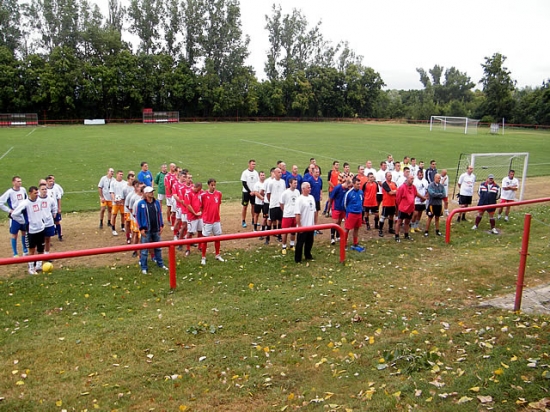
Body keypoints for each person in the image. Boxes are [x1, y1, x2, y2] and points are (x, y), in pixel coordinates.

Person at [11, 186, 45, 274]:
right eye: (35, 193)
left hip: (41, 228)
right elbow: (14, 214)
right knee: (32, 249)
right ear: (30, 193)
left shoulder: (39, 201)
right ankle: (31, 268)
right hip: (31, 230)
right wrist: (23, 222)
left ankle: (39, 265)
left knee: (41, 249)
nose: (37, 194)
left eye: (37, 193)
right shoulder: (25, 203)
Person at [136, 186, 168, 274]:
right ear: (146, 194)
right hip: (146, 230)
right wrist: (141, 228)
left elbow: (159, 214)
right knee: (144, 250)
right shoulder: (141, 204)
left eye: (152, 192)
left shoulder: (156, 202)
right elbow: (138, 217)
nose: (152, 193)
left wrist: (161, 225)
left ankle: (160, 264)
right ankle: (144, 267)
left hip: (156, 229)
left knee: (158, 248)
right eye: (150, 192)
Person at [0, 176, 29, 257]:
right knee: (14, 234)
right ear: (13, 182)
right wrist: (9, 210)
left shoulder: (23, 190)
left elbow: (26, 199)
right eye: (18, 181)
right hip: (15, 217)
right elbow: (0, 202)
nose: (20, 183)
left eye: (20, 181)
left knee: (24, 232)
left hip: (23, 215)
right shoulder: (10, 192)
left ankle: (25, 250)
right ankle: (15, 253)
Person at [200, 178, 225, 265]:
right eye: (212, 185)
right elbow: (201, 207)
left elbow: (218, 205)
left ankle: (217, 254)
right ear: (208, 185)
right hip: (207, 221)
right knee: (205, 239)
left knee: (217, 238)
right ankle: (203, 257)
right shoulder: (203, 195)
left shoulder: (219, 194)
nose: (213, 187)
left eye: (214, 185)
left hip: (216, 220)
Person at [294, 182, 316, 263]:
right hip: (303, 225)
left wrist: (314, 223)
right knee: (300, 243)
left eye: (310, 187)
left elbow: (314, 211)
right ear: (303, 189)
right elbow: (297, 213)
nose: (310, 189)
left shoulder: (311, 197)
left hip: (311, 225)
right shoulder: (299, 199)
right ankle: (298, 258)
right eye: (308, 187)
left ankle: (308, 255)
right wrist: (299, 225)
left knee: (310, 241)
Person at [344, 177, 366, 252]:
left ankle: (355, 243)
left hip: (359, 213)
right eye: (357, 184)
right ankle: (344, 244)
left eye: (359, 184)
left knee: (357, 228)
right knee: (347, 229)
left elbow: (362, 201)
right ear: (353, 184)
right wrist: (349, 211)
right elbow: (344, 204)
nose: (359, 185)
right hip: (351, 214)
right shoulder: (349, 193)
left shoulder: (361, 192)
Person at [266, 167, 286, 245]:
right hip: (273, 205)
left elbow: (284, 193)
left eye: (281, 172)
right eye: (279, 172)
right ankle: (267, 237)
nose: (280, 174)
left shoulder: (283, 182)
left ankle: (279, 236)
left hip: (280, 204)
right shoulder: (271, 183)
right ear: (275, 173)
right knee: (270, 220)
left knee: (280, 220)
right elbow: (268, 194)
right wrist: (271, 201)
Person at [38, 181, 58, 259]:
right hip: (40, 223)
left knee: (48, 239)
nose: (44, 191)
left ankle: (47, 255)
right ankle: (39, 256)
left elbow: (54, 208)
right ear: (39, 190)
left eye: (45, 189)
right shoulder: (37, 200)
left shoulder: (50, 199)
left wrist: (54, 214)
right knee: (40, 241)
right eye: (42, 189)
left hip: (49, 223)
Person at [394, 174, 417, 243]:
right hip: (403, 208)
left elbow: (415, 195)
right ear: (407, 179)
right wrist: (401, 205)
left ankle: (406, 234)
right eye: (411, 179)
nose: (412, 180)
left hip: (410, 208)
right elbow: (398, 198)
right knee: (399, 222)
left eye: (413, 179)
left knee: (407, 222)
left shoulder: (413, 187)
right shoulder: (402, 187)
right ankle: (397, 236)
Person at [184, 181, 204, 256]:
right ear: (196, 187)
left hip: (199, 216)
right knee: (190, 232)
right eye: (198, 189)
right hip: (191, 217)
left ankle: (200, 246)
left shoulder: (199, 192)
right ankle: (188, 249)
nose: (199, 191)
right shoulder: (188, 193)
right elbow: (188, 205)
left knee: (200, 231)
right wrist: (195, 213)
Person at [280, 177, 299, 254]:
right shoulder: (285, 193)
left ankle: (291, 245)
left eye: (296, 183)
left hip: (295, 215)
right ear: (290, 184)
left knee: (293, 231)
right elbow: (281, 203)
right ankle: (284, 246)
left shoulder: (297, 192)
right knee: (285, 232)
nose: (296, 184)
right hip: (287, 215)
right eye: (294, 183)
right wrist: (285, 210)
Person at [329, 175, 350, 244]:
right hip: (336, 207)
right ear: (346, 184)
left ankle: (337, 236)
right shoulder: (337, 188)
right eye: (349, 186)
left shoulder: (347, 189)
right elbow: (331, 198)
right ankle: (332, 237)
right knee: (335, 222)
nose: (349, 188)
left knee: (339, 222)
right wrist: (329, 208)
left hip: (342, 208)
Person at [303, 166, 323, 233]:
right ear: (313, 172)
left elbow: (320, 188)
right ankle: (310, 226)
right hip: (311, 200)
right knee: (311, 212)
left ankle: (315, 227)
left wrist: (321, 195)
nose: (317, 173)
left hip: (317, 199)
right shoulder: (310, 180)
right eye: (316, 172)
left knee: (316, 212)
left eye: (318, 172)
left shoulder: (320, 179)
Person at [240, 159, 259, 228]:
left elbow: (257, 183)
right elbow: (244, 183)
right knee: (245, 206)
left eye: (254, 164)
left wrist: (254, 191)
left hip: (253, 193)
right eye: (252, 164)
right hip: (246, 193)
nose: (254, 165)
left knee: (253, 206)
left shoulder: (256, 173)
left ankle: (253, 220)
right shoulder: (245, 173)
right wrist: (249, 191)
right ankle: (243, 220)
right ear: (249, 164)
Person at [379, 171, 397, 237]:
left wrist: (394, 191)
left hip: (393, 203)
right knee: (383, 217)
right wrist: (394, 191)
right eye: (389, 176)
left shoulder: (394, 183)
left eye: (391, 176)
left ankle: (390, 228)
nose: (390, 177)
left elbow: (396, 191)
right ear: (386, 177)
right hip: (386, 203)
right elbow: (390, 193)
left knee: (391, 216)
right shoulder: (385, 184)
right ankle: (380, 230)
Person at [109, 170, 127, 236]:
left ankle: (123, 226)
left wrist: (123, 200)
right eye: (120, 174)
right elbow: (112, 192)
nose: (121, 176)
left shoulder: (125, 183)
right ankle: (113, 229)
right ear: (117, 174)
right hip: (115, 202)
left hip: (122, 202)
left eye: (122, 174)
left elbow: (126, 193)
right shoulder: (113, 183)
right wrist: (114, 200)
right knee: (114, 215)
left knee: (123, 214)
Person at [46, 175, 63, 241]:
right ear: (46, 182)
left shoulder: (56, 188)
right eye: (49, 181)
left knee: (57, 222)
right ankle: (48, 238)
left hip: (55, 208)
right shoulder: (44, 189)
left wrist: (59, 208)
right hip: (47, 209)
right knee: (47, 223)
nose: (51, 182)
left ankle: (59, 235)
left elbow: (59, 198)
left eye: (52, 181)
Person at [252, 171, 268, 235]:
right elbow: (256, 193)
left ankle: (264, 226)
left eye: (263, 175)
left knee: (265, 215)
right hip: (258, 202)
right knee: (256, 214)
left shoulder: (266, 183)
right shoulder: (257, 184)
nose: (262, 176)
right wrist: (262, 198)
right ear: (259, 176)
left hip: (265, 203)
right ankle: (255, 227)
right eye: (261, 175)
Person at [164, 163, 178, 229]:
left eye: (175, 167)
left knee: (174, 208)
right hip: (169, 194)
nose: (174, 168)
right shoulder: (167, 176)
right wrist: (171, 194)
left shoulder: (176, 175)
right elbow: (167, 186)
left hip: (175, 195)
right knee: (169, 207)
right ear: (170, 167)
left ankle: (174, 220)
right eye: (173, 167)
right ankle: (168, 220)